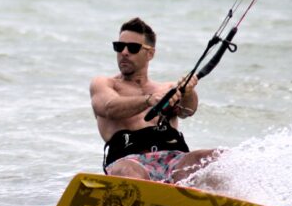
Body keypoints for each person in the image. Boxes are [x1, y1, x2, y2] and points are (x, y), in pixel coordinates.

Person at [90, 17, 220, 184]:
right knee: (131, 171)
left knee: (217, 158)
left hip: (174, 160)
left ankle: (221, 202)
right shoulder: (105, 84)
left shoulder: (167, 89)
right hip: (128, 161)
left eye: (133, 48)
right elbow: (108, 107)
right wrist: (149, 101)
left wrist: (188, 91)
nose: (124, 52)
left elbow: (188, 111)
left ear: (150, 53)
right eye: (119, 46)